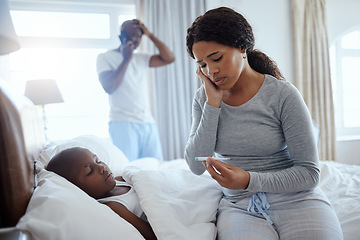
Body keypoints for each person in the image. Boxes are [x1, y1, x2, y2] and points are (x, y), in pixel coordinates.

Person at [185, 7, 343, 240]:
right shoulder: (204, 99)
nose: (212, 71)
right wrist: (213, 104)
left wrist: (249, 180)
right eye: (203, 65)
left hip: (297, 198)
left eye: (216, 58)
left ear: (242, 48)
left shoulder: (282, 95)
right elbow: (195, 165)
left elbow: (310, 174)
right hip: (241, 205)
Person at [96, 19, 175, 162]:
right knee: (126, 168)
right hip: (122, 122)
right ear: (122, 36)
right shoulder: (104, 57)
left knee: (155, 167)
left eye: (140, 35)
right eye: (133, 34)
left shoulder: (141, 58)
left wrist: (150, 35)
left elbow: (169, 58)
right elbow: (109, 87)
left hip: (147, 122)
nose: (136, 39)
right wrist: (126, 59)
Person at [46, 147, 157, 240]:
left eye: (98, 160)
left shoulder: (120, 179)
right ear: (77, 189)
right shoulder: (114, 206)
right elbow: (152, 234)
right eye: (89, 172)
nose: (102, 167)